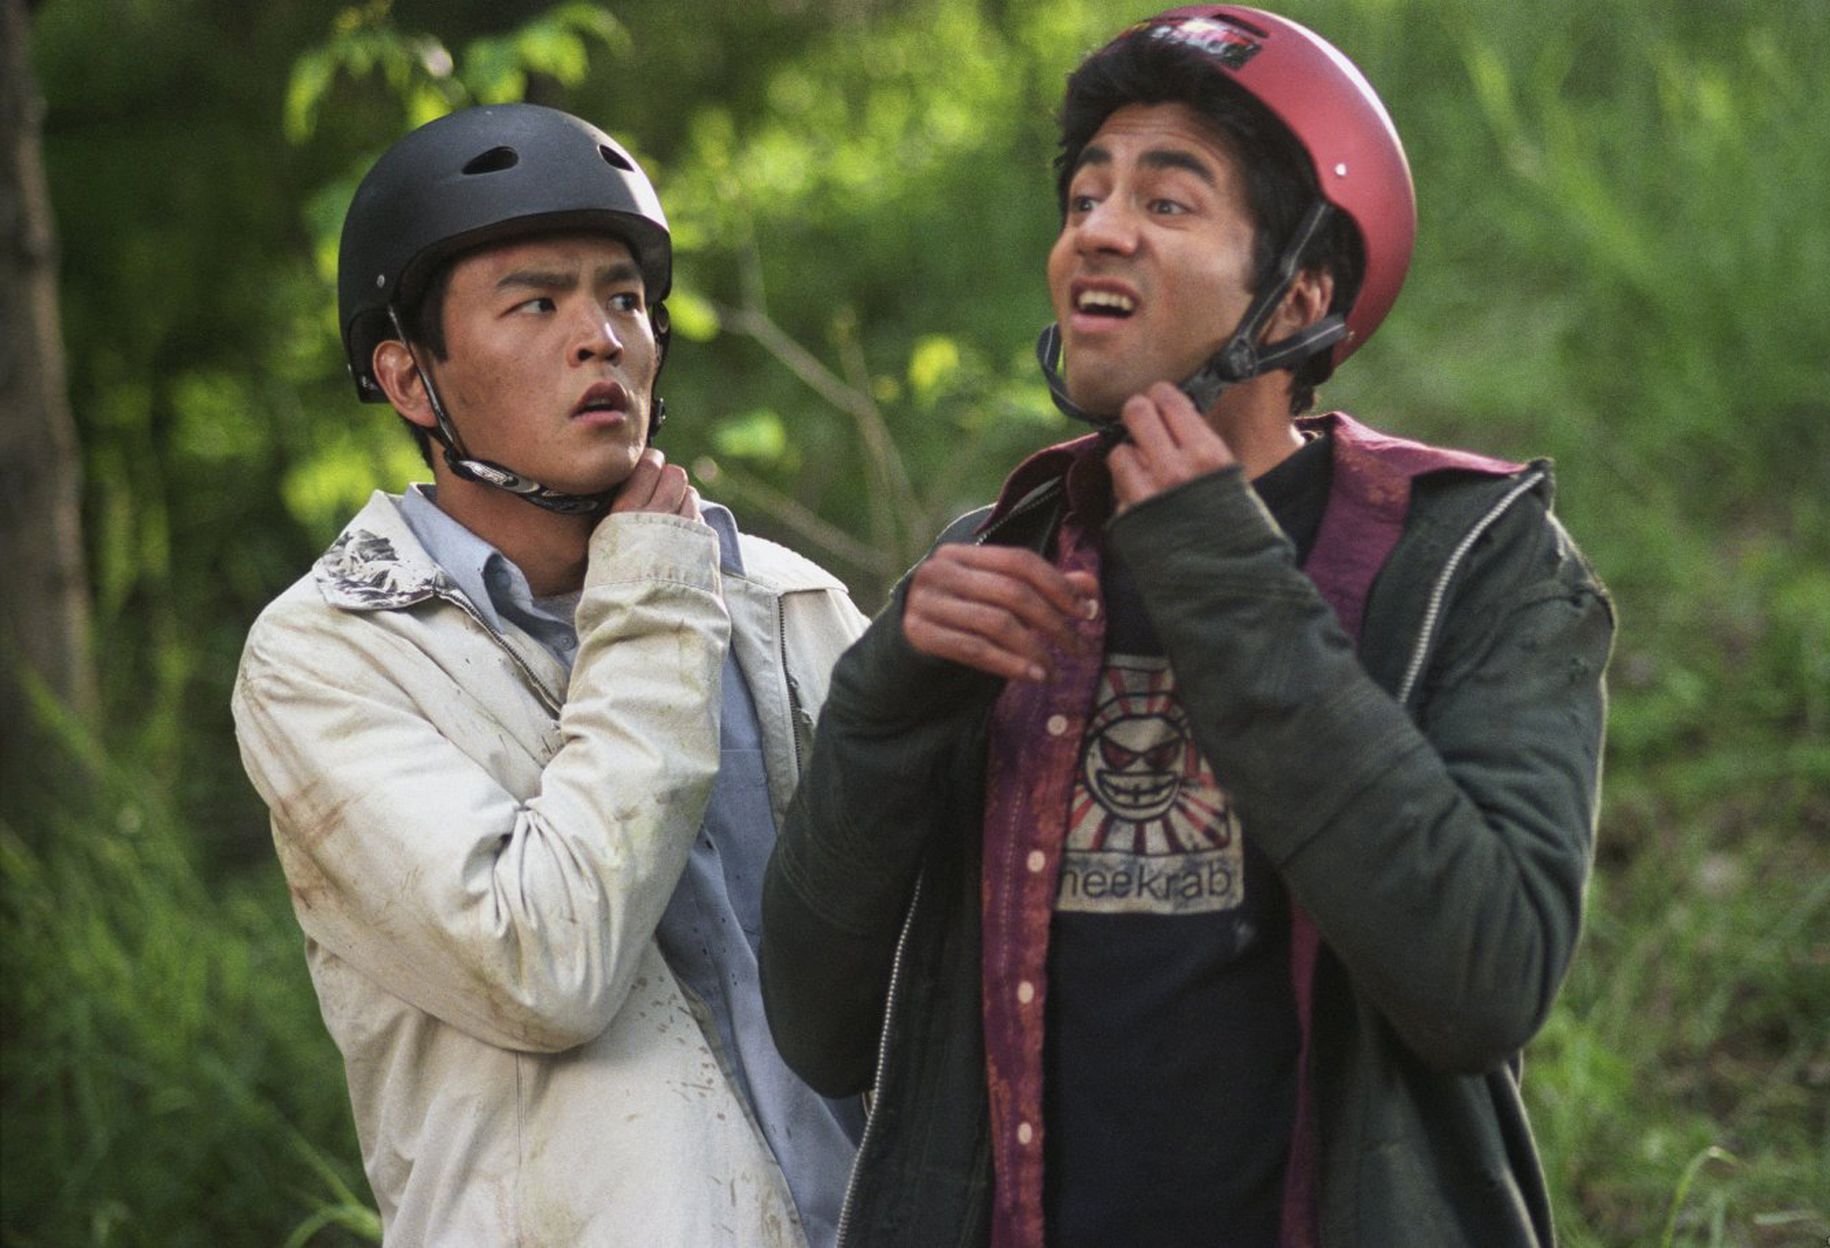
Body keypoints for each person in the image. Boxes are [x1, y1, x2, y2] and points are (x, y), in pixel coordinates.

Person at [760, 8, 1614, 1247]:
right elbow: (818, 1032)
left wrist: (1221, 567)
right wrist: (877, 718)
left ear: (1300, 294)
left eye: (1167, 202)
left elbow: (1485, 982)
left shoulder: (1473, 561)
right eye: (1085, 197)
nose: (1097, 230)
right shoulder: (999, 559)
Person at [232, 104, 865, 1247]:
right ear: (410, 379)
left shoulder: (786, 603)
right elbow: (544, 965)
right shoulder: (329, 653)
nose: (602, 338)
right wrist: (653, 600)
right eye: (536, 303)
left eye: (623, 298)